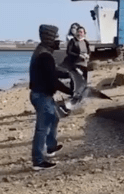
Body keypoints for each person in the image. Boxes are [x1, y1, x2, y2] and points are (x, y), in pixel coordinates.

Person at [29, 24, 73, 170]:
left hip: (42, 94)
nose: (58, 41)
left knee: (54, 117)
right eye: (56, 38)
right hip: (42, 96)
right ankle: (38, 161)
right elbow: (52, 80)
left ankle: (50, 147)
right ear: (49, 39)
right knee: (42, 128)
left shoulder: (42, 51)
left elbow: (52, 72)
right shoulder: (45, 55)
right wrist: (70, 92)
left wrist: (68, 74)